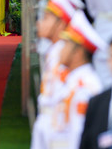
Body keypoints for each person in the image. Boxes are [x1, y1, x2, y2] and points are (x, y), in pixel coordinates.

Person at [33, 11, 105, 149]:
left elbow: (78, 133)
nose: (61, 49)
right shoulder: (74, 79)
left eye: (66, 44)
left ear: (77, 53)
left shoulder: (84, 85)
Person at [31, 0, 83, 149]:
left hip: (59, 127)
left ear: (61, 25)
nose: (39, 23)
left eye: (46, 18)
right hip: (48, 123)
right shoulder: (55, 51)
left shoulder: (63, 55)